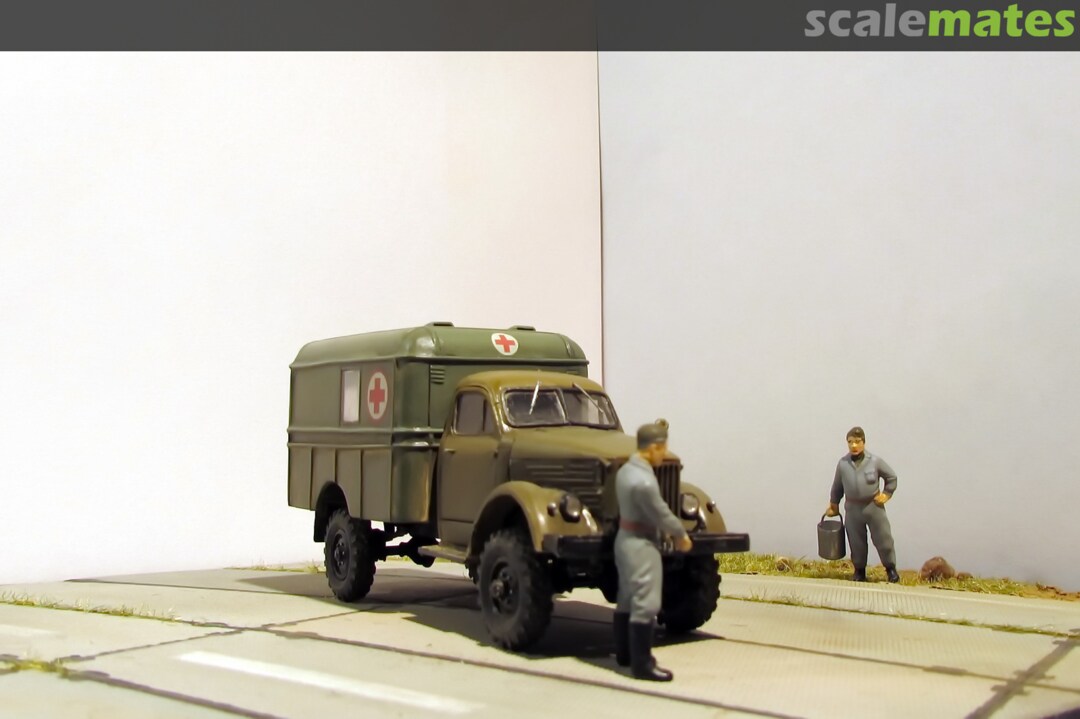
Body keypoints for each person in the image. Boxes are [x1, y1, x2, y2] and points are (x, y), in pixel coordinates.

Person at [612, 419, 693, 681]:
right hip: (642, 543)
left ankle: (625, 654)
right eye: (662, 448)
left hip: (624, 539)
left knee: (626, 597)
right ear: (653, 448)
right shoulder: (644, 482)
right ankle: (643, 664)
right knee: (647, 603)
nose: (664, 453)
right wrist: (680, 533)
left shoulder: (625, 471)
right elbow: (661, 512)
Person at [825, 426, 900, 583]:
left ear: (863, 442)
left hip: (873, 507)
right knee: (856, 542)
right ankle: (859, 570)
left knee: (883, 539)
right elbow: (837, 486)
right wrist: (834, 504)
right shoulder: (843, 464)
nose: (854, 445)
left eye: (857, 441)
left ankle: (891, 569)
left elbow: (891, 477)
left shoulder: (874, 461)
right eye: (850, 442)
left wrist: (886, 494)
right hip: (853, 509)